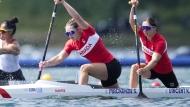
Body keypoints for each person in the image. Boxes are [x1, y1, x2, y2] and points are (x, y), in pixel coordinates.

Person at [39, 0, 122, 88]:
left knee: (84, 68)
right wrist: (47, 63)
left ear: (78, 30)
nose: (69, 36)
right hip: (103, 73)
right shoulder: (71, 44)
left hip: (112, 66)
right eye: (67, 34)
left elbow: (77, 17)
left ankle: (81, 93)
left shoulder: (88, 32)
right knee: (109, 99)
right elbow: (59, 58)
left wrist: (63, 2)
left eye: (71, 32)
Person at [128, 0, 179, 88]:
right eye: (143, 27)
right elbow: (132, 22)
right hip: (151, 70)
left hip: (165, 71)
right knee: (134, 67)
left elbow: (155, 60)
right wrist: (133, 7)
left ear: (154, 28)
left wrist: (144, 69)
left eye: (147, 28)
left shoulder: (160, 42)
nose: (144, 30)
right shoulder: (142, 34)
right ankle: (131, 92)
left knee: (176, 91)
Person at [0, 17, 26, 81]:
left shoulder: (15, 45)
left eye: (3, 31)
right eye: (0, 30)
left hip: (15, 75)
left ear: (10, 32)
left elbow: (5, 50)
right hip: (1, 73)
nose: (0, 33)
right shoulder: (1, 40)